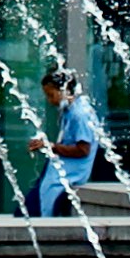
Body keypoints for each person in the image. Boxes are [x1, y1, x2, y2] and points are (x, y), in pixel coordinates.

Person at [29, 67, 100, 217]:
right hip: (63, 167)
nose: (49, 100)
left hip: (72, 171)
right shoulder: (70, 109)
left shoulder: (79, 114)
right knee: (35, 198)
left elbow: (83, 150)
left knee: (42, 200)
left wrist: (52, 146)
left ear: (63, 90)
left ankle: (45, 225)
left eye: (51, 95)